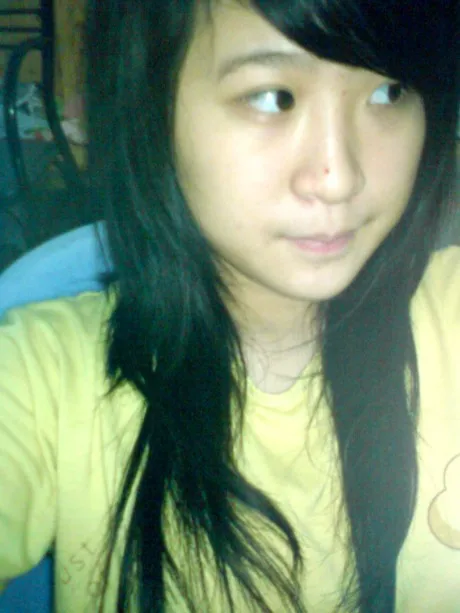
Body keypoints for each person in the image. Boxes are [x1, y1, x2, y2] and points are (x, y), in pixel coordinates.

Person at [0, 0, 459, 611]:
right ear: (152, 106)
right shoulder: (39, 379)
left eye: (389, 92)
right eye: (273, 98)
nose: (339, 178)